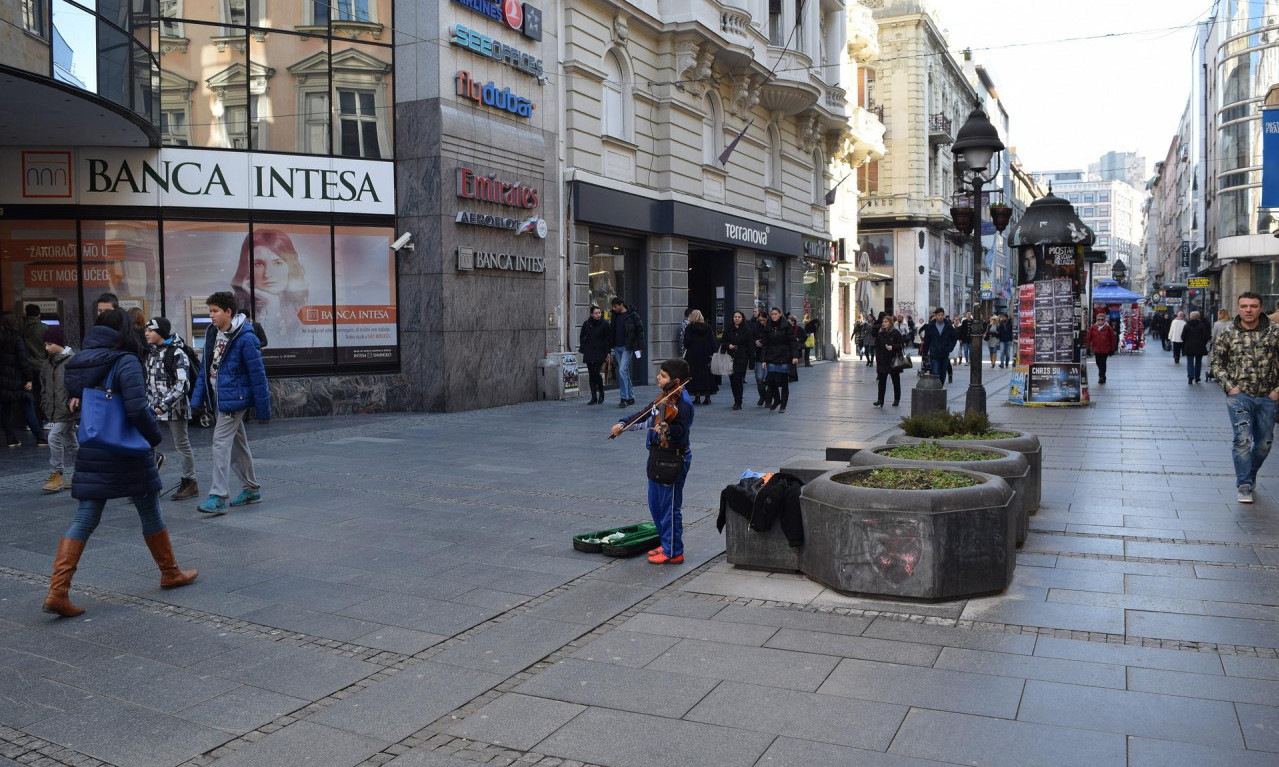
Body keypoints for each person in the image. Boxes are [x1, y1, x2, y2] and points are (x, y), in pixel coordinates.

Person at [43, 308, 197, 617]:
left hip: (93, 445)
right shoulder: (125, 360)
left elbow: (75, 396)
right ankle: (170, 572)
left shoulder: (83, 359)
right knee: (150, 508)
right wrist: (153, 438)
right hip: (127, 448)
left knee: (86, 516)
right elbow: (138, 408)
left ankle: (57, 591)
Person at [190, 291, 271, 514]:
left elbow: (258, 374)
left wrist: (264, 410)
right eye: (209, 311)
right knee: (238, 444)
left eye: (215, 311)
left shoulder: (246, 338)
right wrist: (198, 400)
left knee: (220, 443)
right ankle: (251, 489)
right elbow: (207, 369)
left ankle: (217, 495)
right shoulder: (212, 333)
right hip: (220, 396)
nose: (211, 315)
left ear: (228, 311)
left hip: (234, 399)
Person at [611, 358, 693, 565]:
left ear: (675, 380)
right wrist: (624, 424)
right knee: (655, 504)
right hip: (657, 455)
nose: (658, 377)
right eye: (659, 373)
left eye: (663, 375)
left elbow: (682, 432)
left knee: (669, 506)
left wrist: (668, 430)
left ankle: (674, 551)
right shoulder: (665, 396)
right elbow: (646, 416)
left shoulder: (683, 403)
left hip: (673, 458)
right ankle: (666, 544)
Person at [1209, 292, 1279, 504]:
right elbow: (1216, 361)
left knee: (1264, 443)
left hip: (1268, 396)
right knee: (1242, 439)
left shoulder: (1274, 332)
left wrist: (1277, 390)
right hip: (1240, 397)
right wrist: (1230, 387)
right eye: (1244, 306)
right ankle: (1244, 484)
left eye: (1253, 306)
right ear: (1238, 308)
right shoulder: (1228, 332)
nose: (1249, 310)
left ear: (1260, 308)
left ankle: (1250, 473)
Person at [144, 317, 200, 500]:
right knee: (148, 445)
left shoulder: (176, 353)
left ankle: (190, 482)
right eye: (146, 330)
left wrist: (163, 405)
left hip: (176, 408)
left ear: (160, 332)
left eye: (150, 330)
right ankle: (150, 483)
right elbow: (148, 383)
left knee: (181, 444)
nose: (146, 333)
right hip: (154, 408)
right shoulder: (151, 353)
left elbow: (183, 384)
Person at [233, 229, 310, 347]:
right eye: (258, 264)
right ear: (246, 269)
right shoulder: (237, 311)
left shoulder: (302, 305)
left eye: (277, 263)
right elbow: (265, 349)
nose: (268, 273)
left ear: (290, 267)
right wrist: (271, 304)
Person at [39, 326, 77, 493]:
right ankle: (81, 473)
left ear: (59, 343)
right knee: (71, 443)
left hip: (68, 410)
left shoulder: (71, 361)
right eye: (45, 344)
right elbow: (44, 387)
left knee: (54, 437)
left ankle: (56, 473)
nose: (47, 347)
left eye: (50, 344)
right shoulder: (47, 363)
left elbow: (77, 384)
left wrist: (73, 403)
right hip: (55, 410)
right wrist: (45, 404)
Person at [0, 312, 44, 448]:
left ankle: (10, 438)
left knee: (5, 410)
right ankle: (39, 437)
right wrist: (29, 379)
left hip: (3, 381)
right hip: (17, 380)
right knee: (28, 406)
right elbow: (23, 361)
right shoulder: (16, 338)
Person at [762, 307, 800, 413]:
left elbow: (793, 341)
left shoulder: (786, 325)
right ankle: (777, 400)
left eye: (775, 314)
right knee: (771, 381)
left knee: (783, 382)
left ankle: (783, 405)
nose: (773, 316)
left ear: (780, 314)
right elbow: (765, 344)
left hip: (784, 356)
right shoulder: (768, 326)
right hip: (771, 356)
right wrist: (764, 359)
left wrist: (795, 356)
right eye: (772, 314)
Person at [609, 297, 644, 408]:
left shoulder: (633, 315)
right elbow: (612, 330)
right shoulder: (615, 315)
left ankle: (623, 398)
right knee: (625, 372)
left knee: (622, 370)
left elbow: (640, 331)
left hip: (627, 347)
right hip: (616, 347)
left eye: (615, 306)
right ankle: (631, 397)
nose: (613, 309)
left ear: (621, 305)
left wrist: (640, 347)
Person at [578, 305, 612, 405]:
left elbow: (608, 339)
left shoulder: (605, 324)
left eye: (599, 313)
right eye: (596, 313)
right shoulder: (587, 324)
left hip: (600, 352)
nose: (598, 315)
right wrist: (583, 347)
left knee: (596, 373)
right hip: (589, 352)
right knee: (591, 374)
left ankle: (601, 393)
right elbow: (582, 336)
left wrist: (608, 352)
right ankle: (593, 397)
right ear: (591, 314)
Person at [682, 310, 717, 405]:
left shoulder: (689, 328)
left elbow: (686, 342)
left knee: (695, 375)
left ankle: (697, 396)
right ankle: (707, 397)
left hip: (693, 355)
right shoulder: (708, 328)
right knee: (706, 374)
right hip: (706, 354)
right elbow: (713, 342)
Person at [720, 310, 753, 410]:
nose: (737, 318)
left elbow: (750, 346)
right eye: (735, 317)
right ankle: (736, 398)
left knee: (738, 380)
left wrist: (751, 362)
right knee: (733, 381)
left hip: (741, 358)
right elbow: (723, 342)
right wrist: (727, 345)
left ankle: (738, 402)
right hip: (730, 358)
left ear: (742, 318)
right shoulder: (728, 329)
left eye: (739, 317)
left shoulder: (747, 329)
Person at [22, 304, 47, 426]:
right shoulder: (44, 328)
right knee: (42, 394)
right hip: (40, 365)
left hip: (25, 367)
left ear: (26, 314)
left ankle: (30, 423)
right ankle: (43, 420)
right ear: (39, 314)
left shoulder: (20, 327)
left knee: (28, 395)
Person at [873, 314, 906, 407]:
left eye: (886, 322)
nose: (883, 323)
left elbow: (902, 345)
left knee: (895, 381)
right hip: (883, 360)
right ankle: (880, 399)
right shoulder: (880, 334)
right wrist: (878, 358)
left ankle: (896, 399)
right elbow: (877, 346)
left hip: (893, 360)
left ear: (890, 323)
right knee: (882, 381)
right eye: (883, 322)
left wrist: (893, 347)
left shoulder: (895, 332)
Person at [920, 307, 957, 382]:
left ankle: (940, 389)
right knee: (935, 373)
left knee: (942, 374)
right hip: (934, 354)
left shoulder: (948, 326)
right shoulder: (930, 327)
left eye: (942, 315)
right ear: (936, 316)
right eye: (939, 315)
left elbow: (954, 338)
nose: (940, 316)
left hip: (944, 354)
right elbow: (927, 341)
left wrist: (950, 348)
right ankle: (937, 391)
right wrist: (924, 353)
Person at [1085, 312, 1118, 385]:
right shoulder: (1093, 327)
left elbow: (1113, 339)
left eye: (1102, 319)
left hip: (1105, 349)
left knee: (1103, 363)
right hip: (1096, 349)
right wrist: (1087, 348)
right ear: (1096, 320)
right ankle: (1102, 374)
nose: (1100, 321)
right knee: (1098, 362)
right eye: (1099, 319)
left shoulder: (1108, 328)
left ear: (1104, 320)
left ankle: (1101, 376)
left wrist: (1112, 349)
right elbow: (1088, 338)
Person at [1182, 310, 1212, 385]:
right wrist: (1203, 343)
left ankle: (1190, 376)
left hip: (1189, 346)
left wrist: (1187, 341)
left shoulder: (1187, 325)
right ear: (1198, 317)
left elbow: (1183, 336)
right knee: (1198, 362)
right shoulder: (1202, 325)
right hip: (1199, 346)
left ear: (1191, 317)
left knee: (1190, 362)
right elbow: (1206, 336)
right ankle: (1197, 377)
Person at [1208, 309, 1232, 382]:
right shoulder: (1231, 323)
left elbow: (1214, 335)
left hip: (1219, 344)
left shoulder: (1217, 324)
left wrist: (1212, 341)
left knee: (1218, 359)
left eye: (1219, 314)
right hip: (1229, 343)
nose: (1218, 315)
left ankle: (1218, 375)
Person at [752, 308, 770, 405]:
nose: (762, 322)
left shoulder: (771, 326)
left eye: (764, 320)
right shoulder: (756, 326)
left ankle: (768, 399)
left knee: (769, 380)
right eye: (760, 320)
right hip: (759, 356)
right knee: (759, 378)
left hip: (770, 356)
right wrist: (755, 341)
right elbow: (751, 336)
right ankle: (763, 396)